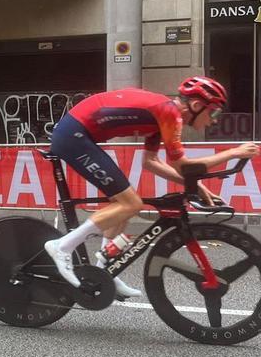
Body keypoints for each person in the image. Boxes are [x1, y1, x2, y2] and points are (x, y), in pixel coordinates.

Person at [44, 76, 259, 298]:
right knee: (131, 204)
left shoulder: (162, 116)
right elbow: (182, 165)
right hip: (73, 136)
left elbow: (151, 162)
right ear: (196, 106)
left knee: (124, 204)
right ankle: (62, 247)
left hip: (78, 134)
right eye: (214, 113)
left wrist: (196, 186)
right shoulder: (169, 114)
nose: (214, 121)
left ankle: (103, 270)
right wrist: (233, 152)